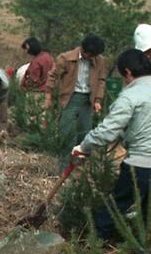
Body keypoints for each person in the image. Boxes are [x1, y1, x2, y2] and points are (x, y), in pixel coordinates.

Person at [72, 49, 151, 240]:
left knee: (117, 205)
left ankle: (96, 243)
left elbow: (108, 131)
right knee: (146, 213)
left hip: (142, 165)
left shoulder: (130, 96)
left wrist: (84, 146)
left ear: (128, 72)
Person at [46, 34, 107, 158]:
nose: (92, 58)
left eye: (94, 56)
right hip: (70, 98)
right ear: (83, 50)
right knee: (66, 133)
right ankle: (63, 164)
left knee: (85, 134)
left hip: (88, 100)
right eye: (90, 55)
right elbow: (52, 75)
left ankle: (79, 167)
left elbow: (101, 80)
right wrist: (48, 95)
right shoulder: (66, 58)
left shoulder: (99, 61)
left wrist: (97, 100)